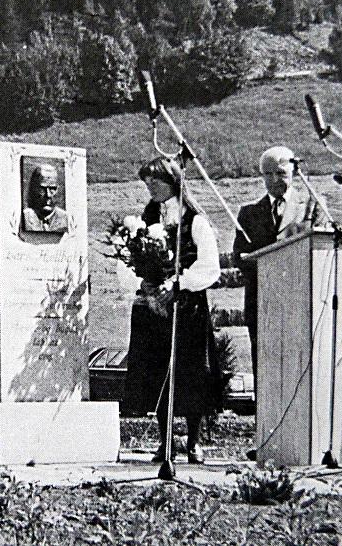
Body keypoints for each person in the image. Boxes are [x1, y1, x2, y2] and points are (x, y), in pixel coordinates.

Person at [122, 156, 222, 464]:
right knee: (157, 371)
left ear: (173, 182)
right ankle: (165, 442)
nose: (151, 188)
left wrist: (178, 284)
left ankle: (193, 441)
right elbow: (127, 260)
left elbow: (209, 266)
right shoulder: (144, 219)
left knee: (191, 372)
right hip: (154, 308)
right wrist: (146, 285)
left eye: (157, 182)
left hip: (186, 306)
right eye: (147, 183)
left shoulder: (195, 221)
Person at [232, 145, 320, 417]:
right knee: (265, 368)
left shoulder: (311, 207)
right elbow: (239, 257)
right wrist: (261, 264)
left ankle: (298, 431)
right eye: (267, 174)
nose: (273, 180)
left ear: (294, 171)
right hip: (262, 302)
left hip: (297, 301)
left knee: (298, 367)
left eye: (280, 173)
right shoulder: (249, 213)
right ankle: (265, 433)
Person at [22, 164, 69, 232]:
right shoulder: (24, 217)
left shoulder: (66, 218)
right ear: (34, 188)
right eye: (42, 189)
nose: (48, 195)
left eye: (52, 188)